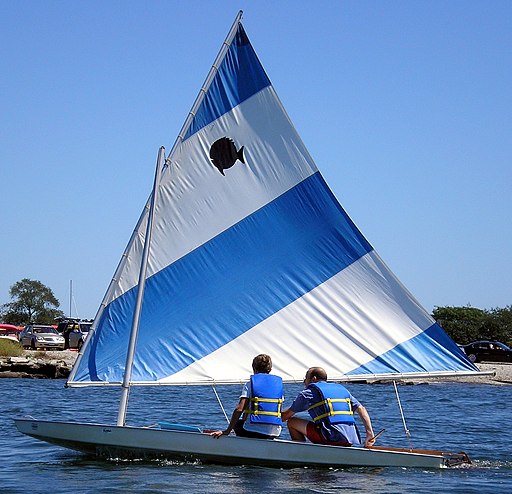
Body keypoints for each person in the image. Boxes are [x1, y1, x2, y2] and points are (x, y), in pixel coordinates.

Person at [281, 367, 375, 448]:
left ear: (313, 379)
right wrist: (370, 434)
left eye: (305, 379)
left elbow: (285, 416)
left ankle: (300, 453)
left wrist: (269, 416)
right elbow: (361, 409)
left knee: (292, 422)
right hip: (351, 438)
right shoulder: (342, 389)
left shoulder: (308, 393)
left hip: (330, 437)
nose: (304, 382)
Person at [210, 354, 284, 439]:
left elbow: (239, 409)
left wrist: (227, 430)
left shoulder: (249, 384)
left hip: (252, 432)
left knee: (238, 424)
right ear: (270, 369)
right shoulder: (278, 386)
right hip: (275, 432)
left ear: (254, 368)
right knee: (248, 412)